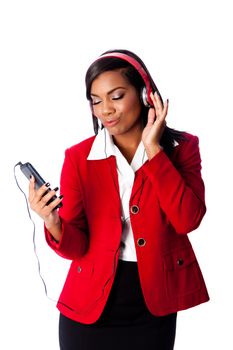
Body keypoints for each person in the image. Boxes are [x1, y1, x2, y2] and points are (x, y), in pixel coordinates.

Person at [28, 49, 209, 350]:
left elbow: (187, 219)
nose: (105, 110)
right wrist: (52, 221)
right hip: (89, 307)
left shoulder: (182, 148)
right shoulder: (79, 158)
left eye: (116, 96)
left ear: (145, 94)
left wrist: (153, 151)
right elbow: (77, 246)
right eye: (96, 101)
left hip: (153, 304)